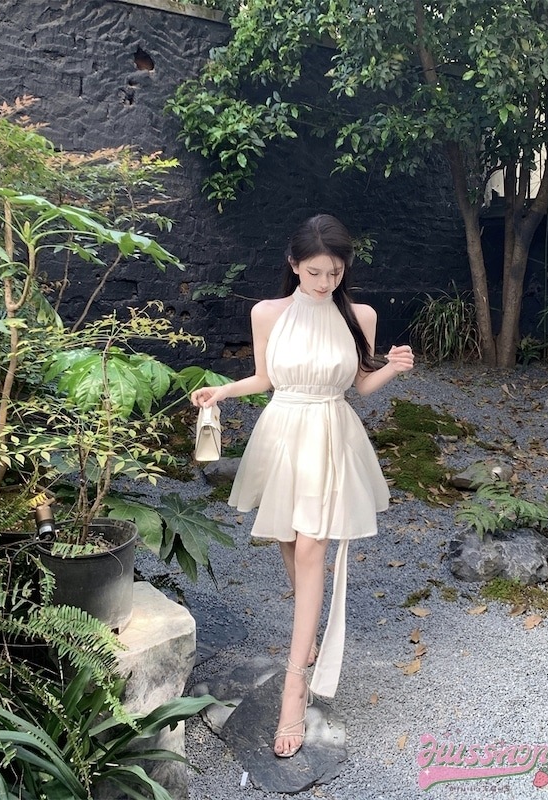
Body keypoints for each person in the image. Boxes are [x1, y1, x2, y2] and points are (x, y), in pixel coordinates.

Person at [191, 214, 414, 758]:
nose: (325, 282)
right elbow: (265, 378)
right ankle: (306, 629)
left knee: (313, 547)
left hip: (331, 433)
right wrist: (221, 392)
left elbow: (362, 384)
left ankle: (295, 684)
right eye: (315, 272)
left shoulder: (360, 314)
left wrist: (393, 367)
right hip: (283, 432)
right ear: (293, 265)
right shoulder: (267, 312)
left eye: (335, 272)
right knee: (289, 540)